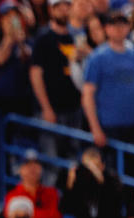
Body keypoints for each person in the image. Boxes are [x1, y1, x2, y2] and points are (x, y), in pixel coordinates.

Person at [82, 10, 134, 149]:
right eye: (114, 24)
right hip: (109, 126)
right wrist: (95, 128)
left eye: (122, 24)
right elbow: (88, 95)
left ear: (128, 27)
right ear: (106, 28)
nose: (118, 28)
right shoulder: (97, 57)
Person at [30, 0, 82, 135]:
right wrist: (46, 108)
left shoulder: (76, 37)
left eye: (67, 6)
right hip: (52, 108)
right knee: (50, 153)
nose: (64, 10)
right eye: (59, 7)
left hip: (74, 108)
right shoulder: (43, 38)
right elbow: (35, 75)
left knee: (73, 153)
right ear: (51, 10)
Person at [60, 145, 126, 218]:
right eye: (87, 167)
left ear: (102, 166)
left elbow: (115, 205)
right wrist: (70, 184)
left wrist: (101, 181)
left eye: (94, 166)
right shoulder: (80, 184)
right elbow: (65, 208)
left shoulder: (112, 181)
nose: (90, 171)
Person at [0, 2, 33, 115]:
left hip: (22, 101)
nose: (11, 20)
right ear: (1, 21)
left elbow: (26, 58)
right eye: (7, 17)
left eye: (15, 16)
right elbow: (0, 59)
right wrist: (9, 38)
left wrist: (20, 41)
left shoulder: (27, 42)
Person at [4, 149, 62, 218]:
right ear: (20, 169)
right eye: (27, 164)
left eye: (36, 164)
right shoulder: (12, 195)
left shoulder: (51, 193)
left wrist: (26, 216)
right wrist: (42, 217)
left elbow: (56, 217)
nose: (32, 168)